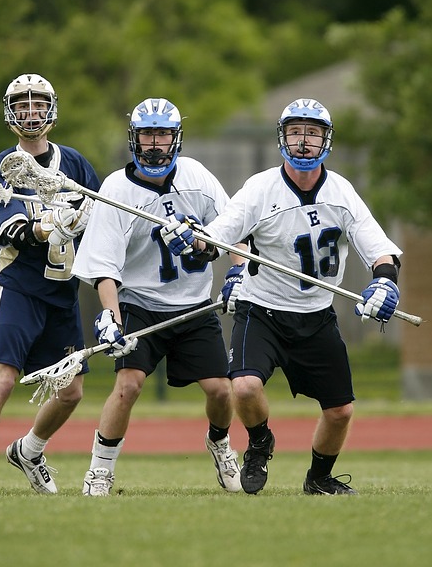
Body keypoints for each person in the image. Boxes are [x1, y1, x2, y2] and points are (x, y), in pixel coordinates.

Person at [161, 97, 402, 496]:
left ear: (326, 139)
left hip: (316, 315)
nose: (303, 142)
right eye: (295, 132)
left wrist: (385, 282)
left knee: (340, 411)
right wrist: (193, 242)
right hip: (263, 310)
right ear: (282, 138)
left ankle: (319, 477)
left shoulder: (341, 191)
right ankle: (259, 444)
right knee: (244, 387)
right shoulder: (260, 188)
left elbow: (380, 249)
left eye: (312, 132)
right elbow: (218, 236)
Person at [71, 97, 243, 496]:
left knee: (220, 390)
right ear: (134, 138)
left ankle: (219, 443)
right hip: (140, 304)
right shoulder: (115, 189)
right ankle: (100, 469)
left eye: (162, 134)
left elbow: (234, 227)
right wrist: (111, 316)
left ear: (175, 137)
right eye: (147, 134)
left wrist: (237, 271)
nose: (154, 143)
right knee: (128, 385)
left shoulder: (197, 177)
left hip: (194, 305)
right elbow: (103, 266)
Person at [0, 73, 100, 496]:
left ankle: (28, 451)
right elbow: (6, 230)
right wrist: (47, 226)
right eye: (22, 104)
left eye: (38, 102)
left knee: (71, 392)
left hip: (62, 294)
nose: (31, 111)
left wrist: (85, 218)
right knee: (4, 379)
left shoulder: (76, 164)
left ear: (52, 108)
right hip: (20, 288)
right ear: (11, 112)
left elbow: (101, 220)